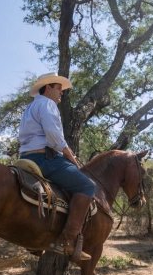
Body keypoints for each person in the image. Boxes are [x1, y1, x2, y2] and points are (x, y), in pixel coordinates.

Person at [18, 72, 96, 261]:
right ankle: (66, 241)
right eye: (58, 87)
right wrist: (72, 157)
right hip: (46, 158)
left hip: (26, 156)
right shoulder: (47, 104)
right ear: (48, 88)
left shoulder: (30, 107)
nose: (61, 92)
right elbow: (54, 137)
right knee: (87, 186)